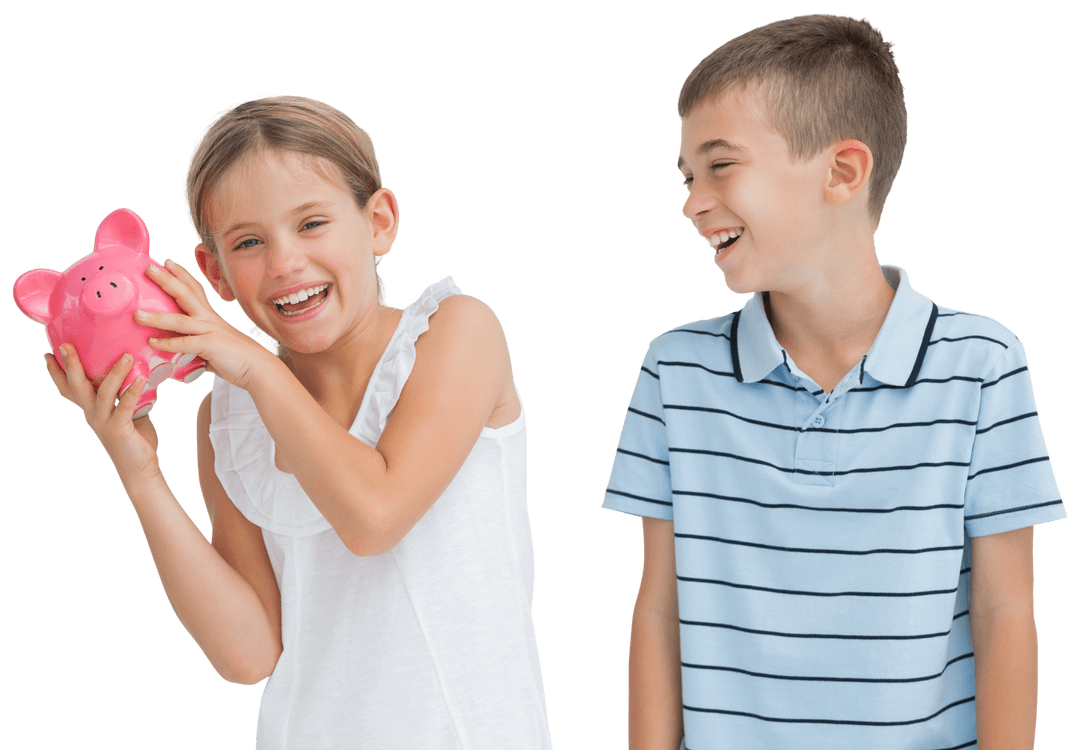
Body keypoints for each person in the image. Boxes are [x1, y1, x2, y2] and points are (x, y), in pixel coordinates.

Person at [602, 14, 1066, 750]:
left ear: (843, 172)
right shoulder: (675, 370)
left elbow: (1006, 607)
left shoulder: (983, 363)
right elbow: (661, 603)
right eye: (688, 176)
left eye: (721, 165)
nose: (692, 201)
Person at [45, 95, 552, 750]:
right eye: (249, 242)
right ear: (214, 273)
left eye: (312, 224)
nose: (284, 262)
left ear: (379, 222)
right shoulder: (225, 418)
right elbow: (249, 655)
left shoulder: (456, 333)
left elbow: (374, 515)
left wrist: (255, 366)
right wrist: (141, 476)